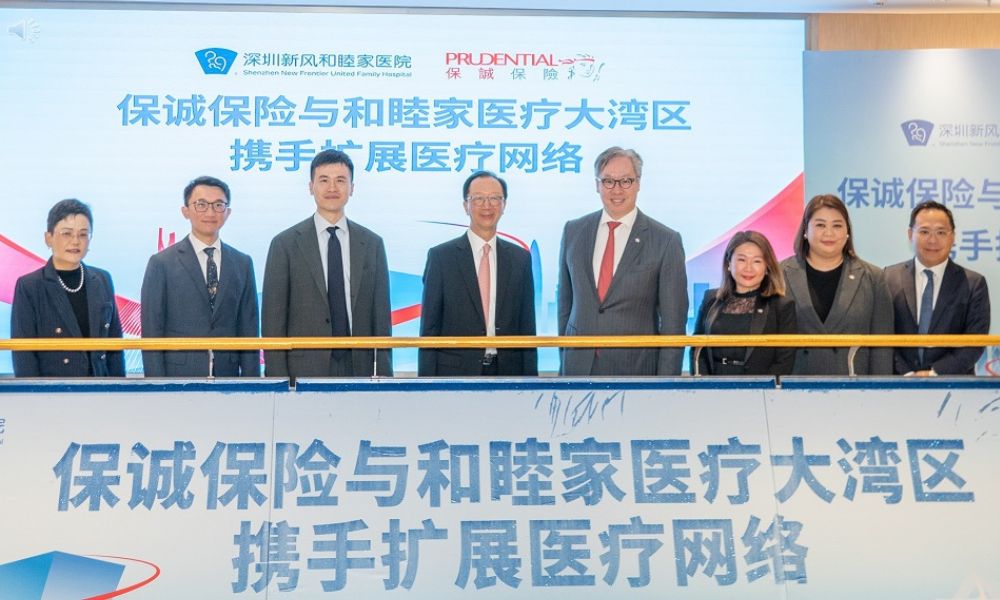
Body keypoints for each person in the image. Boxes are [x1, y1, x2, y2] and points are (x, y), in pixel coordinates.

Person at [557, 146, 688, 376]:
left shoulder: (665, 240)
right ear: (597, 185)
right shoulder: (573, 231)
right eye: (608, 181)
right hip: (577, 367)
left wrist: (666, 385)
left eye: (626, 181)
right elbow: (565, 306)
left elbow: (673, 324)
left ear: (638, 184)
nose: (616, 189)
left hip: (636, 370)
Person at [262, 149, 392, 378]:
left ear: (352, 188)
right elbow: (273, 320)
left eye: (340, 180)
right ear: (311, 187)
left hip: (359, 366)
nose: (332, 188)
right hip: (303, 370)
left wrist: (383, 377)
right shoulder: (285, 244)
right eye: (324, 180)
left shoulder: (372, 244)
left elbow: (381, 319)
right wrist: (278, 381)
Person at [419, 171, 537, 376]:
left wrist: (531, 383)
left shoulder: (520, 259)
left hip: (508, 372)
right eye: (478, 198)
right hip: (455, 374)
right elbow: (429, 328)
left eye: (494, 198)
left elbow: (527, 327)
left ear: (504, 205)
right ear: (466, 205)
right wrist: (426, 385)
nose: (487, 205)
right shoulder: (441, 257)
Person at [140, 176, 259, 377]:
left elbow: (249, 329)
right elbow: (152, 331)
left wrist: (252, 384)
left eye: (218, 205)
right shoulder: (161, 263)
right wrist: (157, 385)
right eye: (201, 205)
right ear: (185, 211)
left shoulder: (242, 263)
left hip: (228, 377)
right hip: (178, 377)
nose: (210, 213)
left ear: (228, 212)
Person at [780, 194, 893, 375]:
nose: (829, 233)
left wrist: (879, 388)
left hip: (853, 385)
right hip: (795, 385)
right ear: (805, 230)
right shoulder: (780, 275)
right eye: (820, 225)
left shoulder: (873, 278)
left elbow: (882, 349)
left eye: (837, 225)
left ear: (847, 231)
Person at [11, 199, 125, 377]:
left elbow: (115, 345)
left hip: (101, 387)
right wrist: (32, 392)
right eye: (67, 234)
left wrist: (120, 388)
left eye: (83, 234)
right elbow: (23, 355)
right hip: (55, 389)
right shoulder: (30, 286)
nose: (75, 241)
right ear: (48, 238)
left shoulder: (102, 279)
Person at [885, 201, 990, 375]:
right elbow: (881, 333)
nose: (932, 240)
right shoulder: (888, 277)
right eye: (924, 231)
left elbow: (975, 341)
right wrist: (907, 374)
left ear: (953, 236)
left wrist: (935, 373)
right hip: (899, 382)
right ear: (910, 234)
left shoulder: (973, 283)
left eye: (941, 232)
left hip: (954, 384)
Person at [691, 231, 797, 375]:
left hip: (759, 386)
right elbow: (697, 349)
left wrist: (761, 387)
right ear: (729, 264)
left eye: (757, 261)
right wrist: (704, 383)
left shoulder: (781, 306)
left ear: (767, 266)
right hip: (713, 384)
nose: (748, 268)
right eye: (741, 260)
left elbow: (784, 361)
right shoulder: (710, 299)